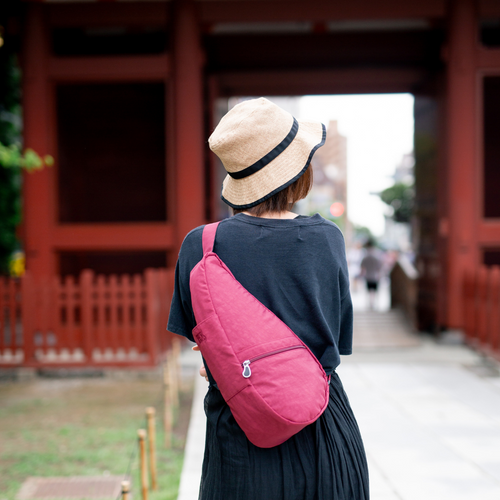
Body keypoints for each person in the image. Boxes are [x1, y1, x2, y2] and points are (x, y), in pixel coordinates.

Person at [168, 98, 369, 500]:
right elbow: (335, 343)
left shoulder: (201, 245)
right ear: (299, 170)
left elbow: (205, 345)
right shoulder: (326, 239)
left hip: (239, 439)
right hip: (322, 431)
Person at [360, 240, 384, 310]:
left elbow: (362, 267)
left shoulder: (365, 255)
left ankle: (370, 303)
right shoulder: (377, 255)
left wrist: (361, 275)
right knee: (375, 291)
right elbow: (379, 267)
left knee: (368, 291)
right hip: (375, 276)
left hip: (368, 276)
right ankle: (374, 303)